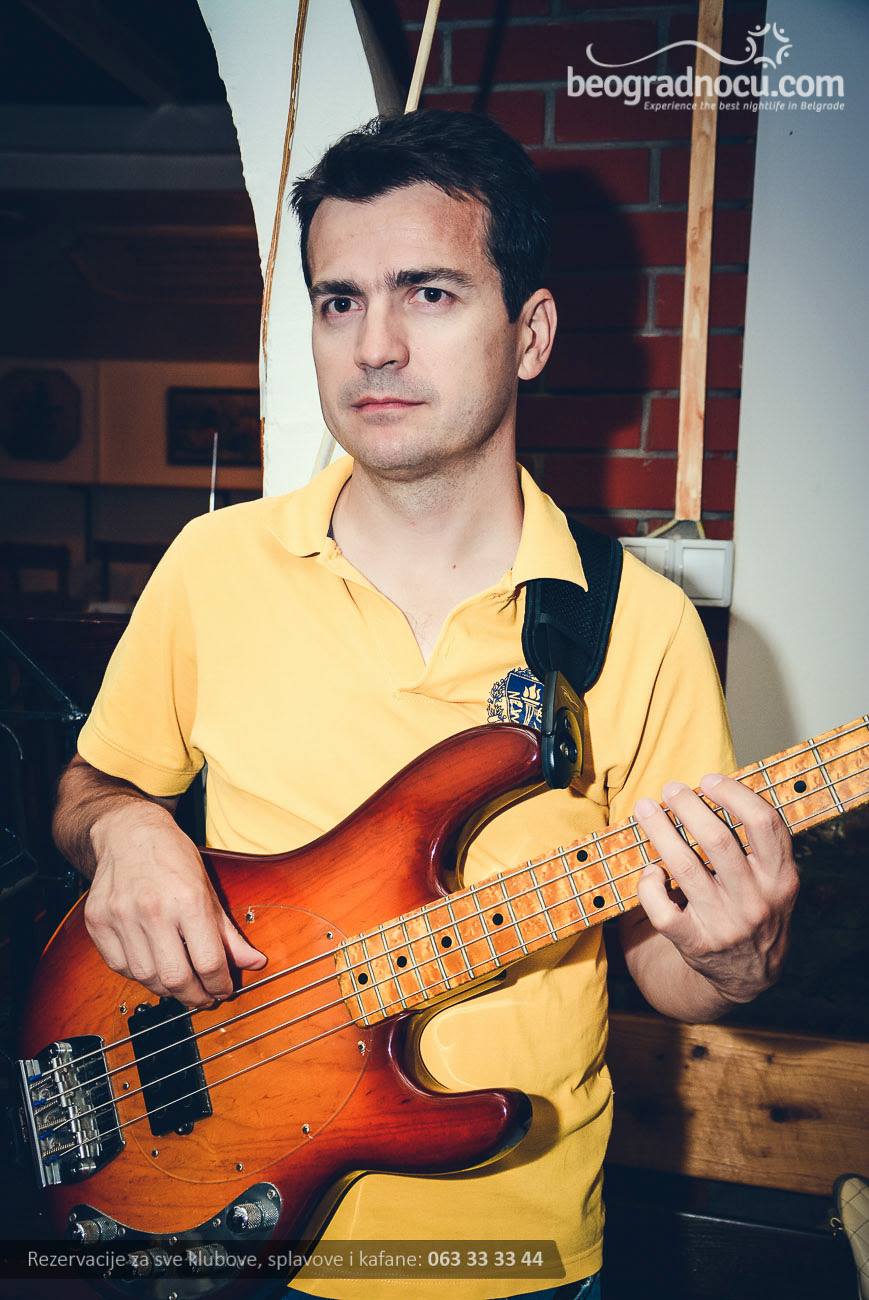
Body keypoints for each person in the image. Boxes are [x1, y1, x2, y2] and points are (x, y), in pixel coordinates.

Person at [52, 111, 799, 1300]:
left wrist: (735, 958)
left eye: (429, 294)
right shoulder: (211, 566)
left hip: (519, 1256)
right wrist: (126, 828)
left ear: (530, 332)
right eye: (337, 301)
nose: (373, 347)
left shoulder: (638, 625)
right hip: (236, 1227)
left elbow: (663, 961)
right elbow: (89, 790)